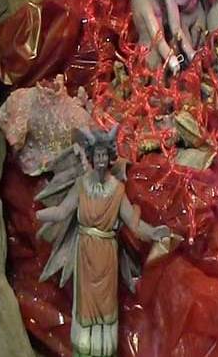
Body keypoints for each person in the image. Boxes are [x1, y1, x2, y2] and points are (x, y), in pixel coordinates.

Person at [36, 126, 171, 357]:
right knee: (85, 305)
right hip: (85, 253)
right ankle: (84, 351)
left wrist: (154, 233)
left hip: (106, 256)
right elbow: (62, 211)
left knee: (106, 306)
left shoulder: (117, 190)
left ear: (109, 157)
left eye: (104, 155)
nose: (100, 160)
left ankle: (104, 352)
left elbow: (134, 224)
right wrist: (40, 215)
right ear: (91, 157)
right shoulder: (81, 184)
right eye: (97, 155)